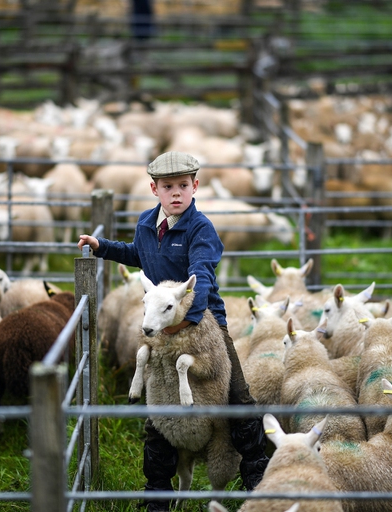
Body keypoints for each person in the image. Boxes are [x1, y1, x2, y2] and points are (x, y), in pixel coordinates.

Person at [77, 151, 269, 511]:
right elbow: (138, 253)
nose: (177, 193)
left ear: (195, 186)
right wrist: (103, 248)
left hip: (203, 326)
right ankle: (158, 493)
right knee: (159, 411)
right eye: (168, 187)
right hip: (160, 330)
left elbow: (203, 276)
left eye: (184, 185)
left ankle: (257, 478)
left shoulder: (201, 229)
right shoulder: (147, 224)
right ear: (155, 189)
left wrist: (183, 322)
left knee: (238, 398)